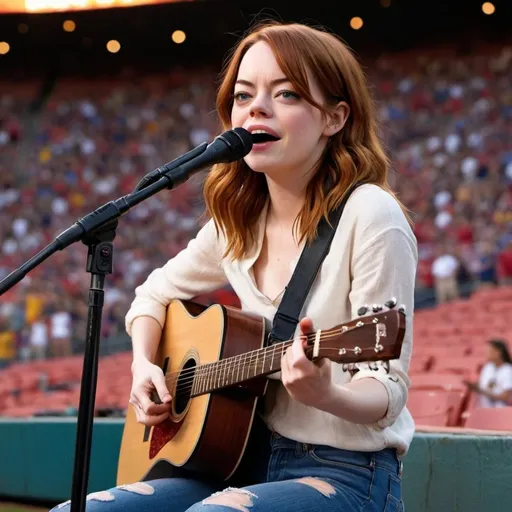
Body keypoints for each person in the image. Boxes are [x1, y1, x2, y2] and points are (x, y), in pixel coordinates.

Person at [51, 20, 417, 512]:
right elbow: (150, 298)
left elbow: (385, 390)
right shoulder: (237, 223)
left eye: (285, 94)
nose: (256, 108)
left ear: (335, 118)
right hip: (239, 463)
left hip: (347, 474)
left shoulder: (371, 215)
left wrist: (325, 392)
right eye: (243, 96)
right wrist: (143, 366)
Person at [466, 340, 512, 408]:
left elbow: (506, 397)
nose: (486, 354)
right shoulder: (488, 367)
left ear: (498, 352)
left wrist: (483, 392)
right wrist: (473, 386)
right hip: (483, 409)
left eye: (489, 351)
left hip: (500, 411)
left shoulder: (508, 370)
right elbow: (483, 384)